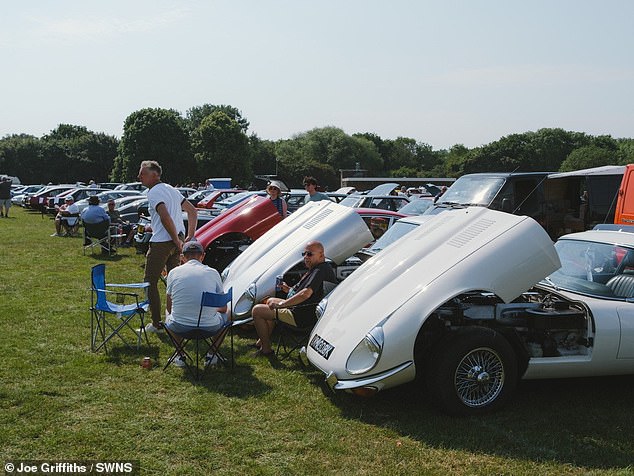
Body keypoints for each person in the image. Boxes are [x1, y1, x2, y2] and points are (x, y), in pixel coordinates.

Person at [138, 160, 198, 334]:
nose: (139, 176)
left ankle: (157, 324)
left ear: (154, 175)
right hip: (176, 238)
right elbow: (192, 211)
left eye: (143, 173)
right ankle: (176, 320)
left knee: (150, 282)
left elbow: (164, 216)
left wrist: (176, 240)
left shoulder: (154, 192)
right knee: (174, 282)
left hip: (162, 241)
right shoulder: (172, 189)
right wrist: (188, 237)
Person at [251, 241, 336, 357]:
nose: (306, 257)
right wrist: (289, 290)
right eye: (304, 253)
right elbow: (309, 293)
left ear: (321, 254)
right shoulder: (320, 268)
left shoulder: (319, 271)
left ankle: (266, 350)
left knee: (257, 310)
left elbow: (305, 294)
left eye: (310, 254)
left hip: (301, 316)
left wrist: (283, 304)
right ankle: (261, 342)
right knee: (269, 301)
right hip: (303, 310)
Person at [164, 240, 228, 367]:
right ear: (202, 256)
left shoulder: (173, 273)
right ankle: (212, 354)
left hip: (180, 326)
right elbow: (224, 307)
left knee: (168, 313)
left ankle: (180, 354)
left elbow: (169, 308)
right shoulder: (213, 273)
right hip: (209, 327)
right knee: (228, 314)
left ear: (182, 257)